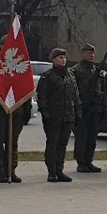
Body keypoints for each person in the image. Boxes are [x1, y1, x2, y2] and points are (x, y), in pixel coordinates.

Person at [37, 48, 81, 182]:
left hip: (68, 116)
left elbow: (75, 94)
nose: (63, 60)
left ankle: (59, 170)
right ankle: (52, 172)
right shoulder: (47, 76)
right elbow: (42, 97)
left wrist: (78, 110)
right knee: (53, 144)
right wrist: (46, 114)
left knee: (63, 144)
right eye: (60, 57)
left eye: (64, 57)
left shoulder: (70, 75)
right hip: (53, 116)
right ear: (53, 60)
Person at [0, 34, 32, 183]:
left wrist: (27, 109)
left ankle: (11, 170)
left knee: (12, 142)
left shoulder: (20, 66)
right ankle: (0, 171)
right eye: (4, 46)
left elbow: (26, 89)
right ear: (1, 47)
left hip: (16, 109)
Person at [72, 43, 105, 173]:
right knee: (82, 138)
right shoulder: (76, 70)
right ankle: (81, 163)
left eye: (92, 53)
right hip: (82, 109)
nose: (91, 55)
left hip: (94, 108)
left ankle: (89, 161)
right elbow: (74, 91)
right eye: (88, 53)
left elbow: (102, 89)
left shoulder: (96, 70)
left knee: (92, 138)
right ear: (83, 53)